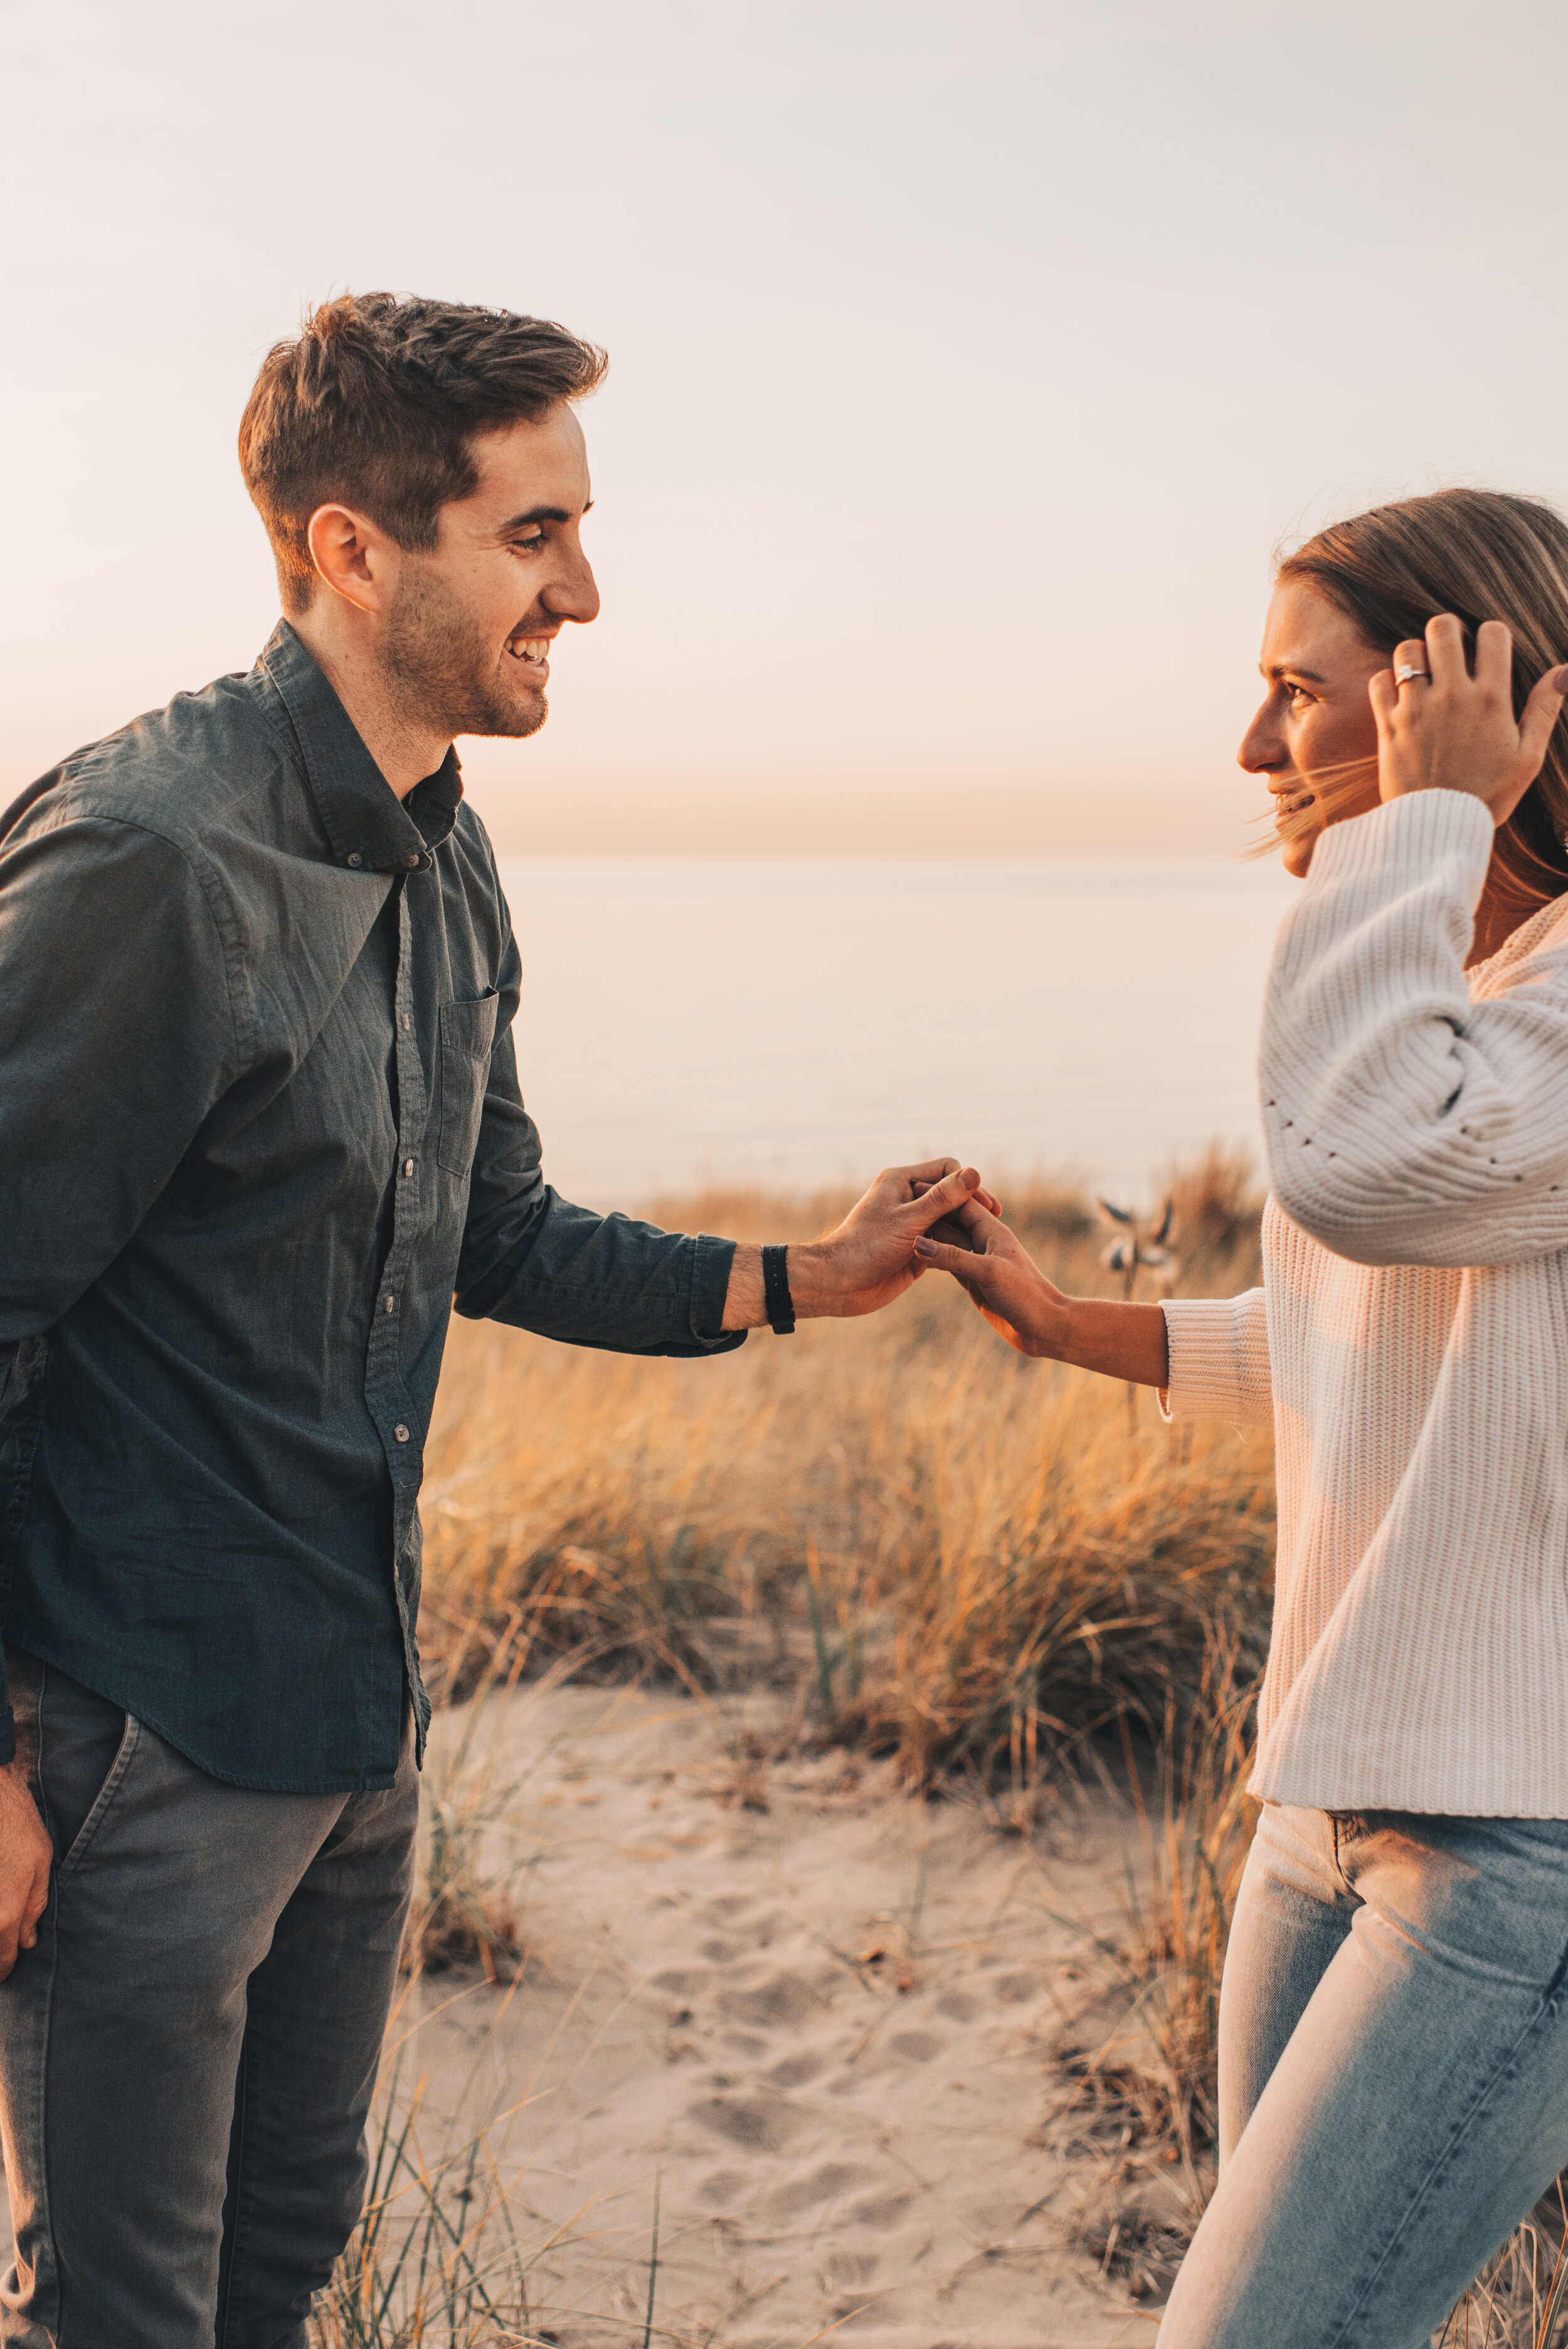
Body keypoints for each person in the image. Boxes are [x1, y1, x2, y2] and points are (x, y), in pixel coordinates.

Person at [0, 292, 988, 2347]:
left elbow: (500, 1224)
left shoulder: (447, 855)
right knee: (127, 2310)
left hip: (351, 1713)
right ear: (351, 547)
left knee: (274, 2267)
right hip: (132, 1739)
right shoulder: (148, 857)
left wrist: (804, 1275)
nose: (588, 590)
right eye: (534, 533)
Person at [913, 489, 1568, 2346]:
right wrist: (1071, 1323)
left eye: (1295, 692)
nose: (1246, 744)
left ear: (1477, 702)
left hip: (1517, 1846)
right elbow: (1363, 1326)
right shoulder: (1469, 988)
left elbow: (1359, 1163)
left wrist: (1427, 825)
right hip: (1322, 1798)